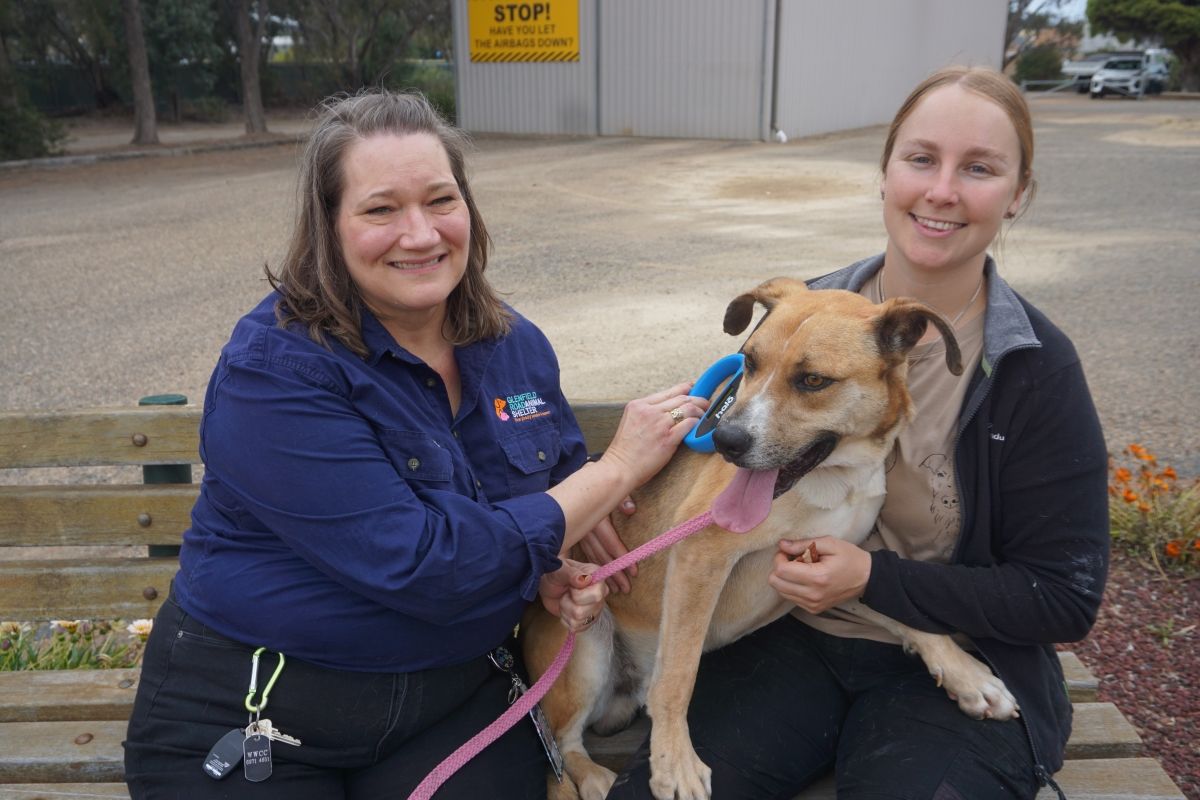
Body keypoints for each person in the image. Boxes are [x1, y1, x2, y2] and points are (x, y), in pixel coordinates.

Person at [122, 89, 706, 799]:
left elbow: (550, 498)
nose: (422, 234)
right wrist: (615, 470)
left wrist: (549, 566)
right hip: (257, 707)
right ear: (329, 224)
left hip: (452, 704)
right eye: (380, 209)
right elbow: (424, 564)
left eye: (440, 200)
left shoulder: (514, 347)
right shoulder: (273, 373)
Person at [606, 66, 1109, 800]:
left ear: (1018, 193)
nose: (941, 190)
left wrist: (875, 578)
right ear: (885, 173)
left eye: (978, 168)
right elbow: (714, 469)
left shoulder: (1035, 367)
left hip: (950, 660)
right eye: (920, 158)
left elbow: (1062, 598)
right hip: (786, 643)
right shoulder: (805, 314)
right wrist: (604, 490)